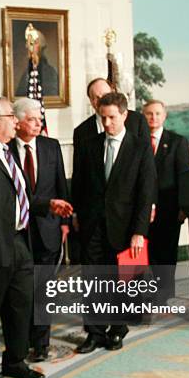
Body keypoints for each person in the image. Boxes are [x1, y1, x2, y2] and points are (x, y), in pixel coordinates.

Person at [0, 97, 72, 378]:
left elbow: (19, 198)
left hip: (21, 243)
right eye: (12, 116)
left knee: (20, 307)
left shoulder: (7, 153)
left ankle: (15, 361)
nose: (17, 121)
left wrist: (47, 205)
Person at [71, 92, 156, 353]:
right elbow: (79, 184)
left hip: (126, 227)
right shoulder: (88, 144)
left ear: (124, 115)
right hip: (92, 225)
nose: (107, 123)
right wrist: (77, 215)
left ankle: (118, 329)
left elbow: (146, 193)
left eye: (111, 118)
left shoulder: (140, 147)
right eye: (102, 117)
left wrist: (139, 232)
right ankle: (95, 333)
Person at [9, 97, 69, 362]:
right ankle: (20, 343)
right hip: (19, 233)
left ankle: (41, 343)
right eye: (32, 119)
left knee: (44, 290)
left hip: (49, 230)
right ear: (18, 122)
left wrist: (66, 222)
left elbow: (61, 188)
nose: (38, 124)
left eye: (39, 119)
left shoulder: (51, 146)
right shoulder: (5, 148)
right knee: (22, 293)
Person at [143, 99, 189, 302]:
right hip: (144, 208)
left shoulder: (177, 142)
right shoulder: (137, 141)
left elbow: (184, 176)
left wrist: (184, 207)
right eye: (149, 114)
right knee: (150, 252)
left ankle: (165, 294)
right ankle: (155, 291)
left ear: (164, 117)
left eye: (157, 114)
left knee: (167, 252)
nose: (153, 117)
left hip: (170, 208)